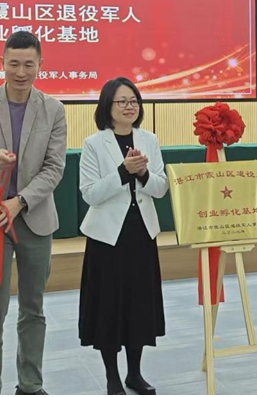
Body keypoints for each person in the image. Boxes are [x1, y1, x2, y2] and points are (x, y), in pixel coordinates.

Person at [0, 31, 67, 396]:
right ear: (1, 63)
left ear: (40, 65)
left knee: (33, 308)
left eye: (28, 64)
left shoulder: (53, 109)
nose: (21, 72)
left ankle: (31, 385)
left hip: (35, 220)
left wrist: (19, 201)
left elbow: (54, 167)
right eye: (14, 64)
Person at [78, 77, 168, 396]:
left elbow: (161, 187)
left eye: (134, 101)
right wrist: (122, 171)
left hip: (141, 234)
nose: (130, 107)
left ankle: (135, 373)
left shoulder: (149, 139)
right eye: (122, 101)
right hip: (107, 238)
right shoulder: (93, 143)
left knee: (138, 305)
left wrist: (142, 173)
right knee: (109, 307)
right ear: (107, 106)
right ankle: (112, 377)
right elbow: (90, 193)